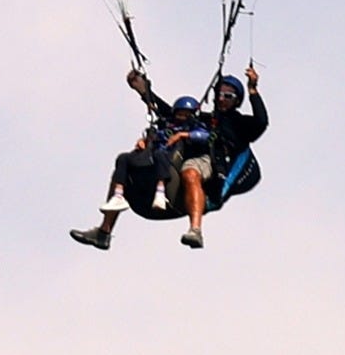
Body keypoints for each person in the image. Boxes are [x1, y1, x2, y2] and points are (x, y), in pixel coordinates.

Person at [71, 63, 263, 250]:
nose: (222, 99)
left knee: (190, 171)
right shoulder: (203, 119)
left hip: (212, 163)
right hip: (177, 162)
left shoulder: (240, 124)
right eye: (219, 94)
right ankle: (104, 232)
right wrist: (143, 90)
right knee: (126, 163)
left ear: (236, 101)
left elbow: (261, 122)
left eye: (228, 96)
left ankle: (195, 230)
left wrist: (253, 90)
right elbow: (170, 115)